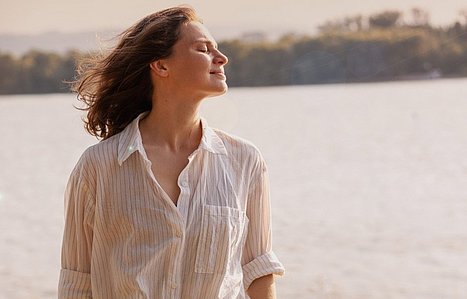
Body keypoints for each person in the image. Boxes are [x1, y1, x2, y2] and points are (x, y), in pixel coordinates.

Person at [58, 6, 284, 299]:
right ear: (161, 66)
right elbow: (76, 282)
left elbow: (259, 271)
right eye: (203, 49)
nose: (222, 58)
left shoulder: (245, 161)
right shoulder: (98, 167)